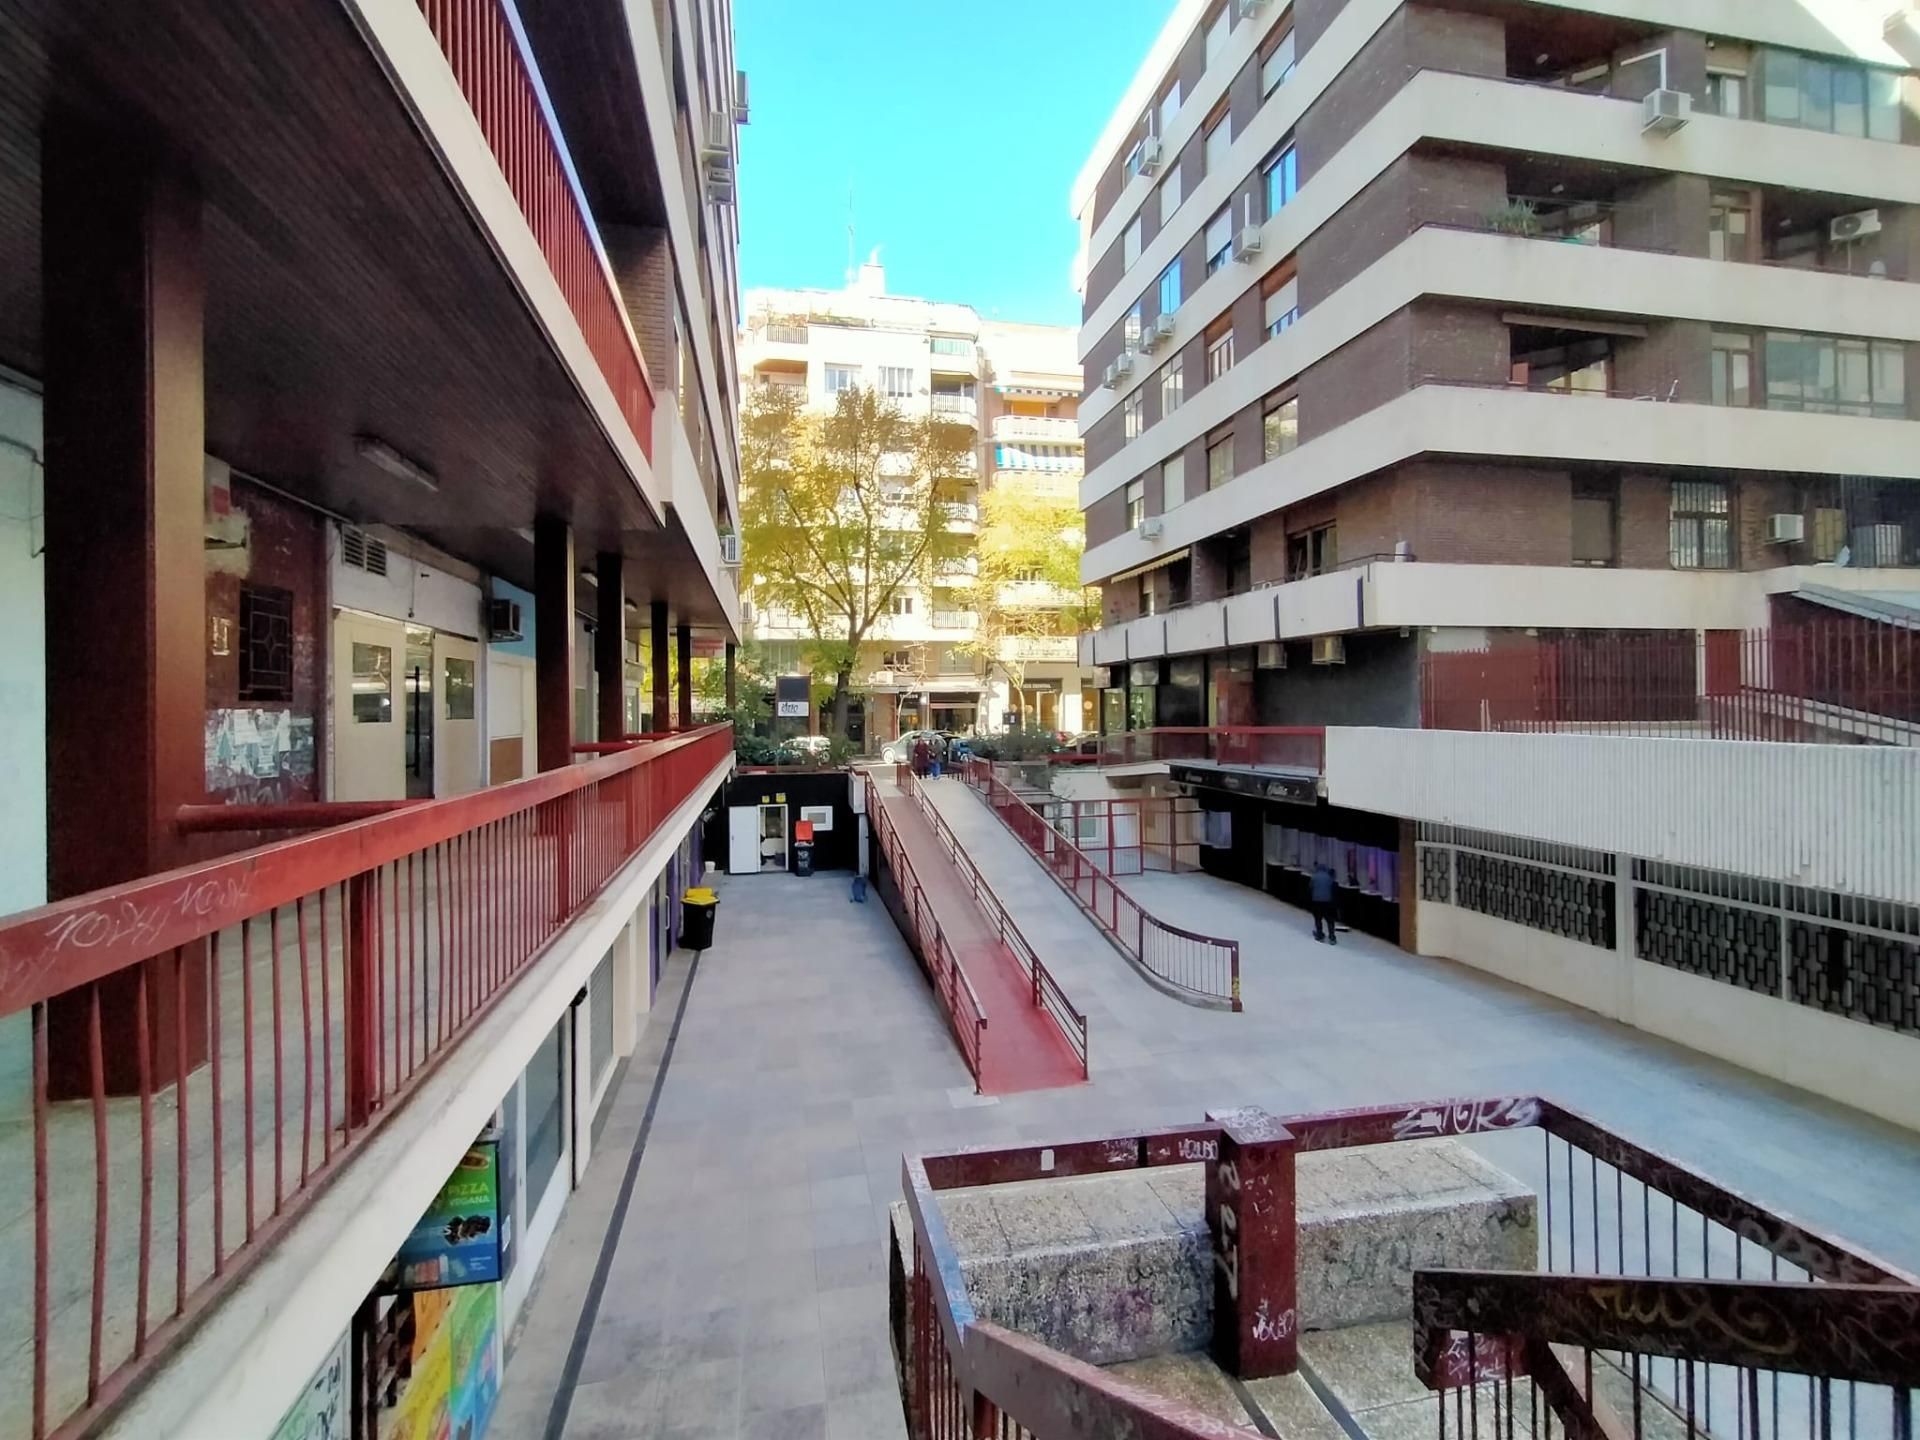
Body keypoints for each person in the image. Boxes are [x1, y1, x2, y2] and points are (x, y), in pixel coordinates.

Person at [1309, 861, 1339, 945]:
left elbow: (1310, 887)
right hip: (1327, 901)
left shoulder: (1314, 877)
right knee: (1330, 920)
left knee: (1318, 918)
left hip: (1316, 901)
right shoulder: (1329, 877)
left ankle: (1319, 935)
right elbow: (1333, 887)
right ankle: (1332, 936)